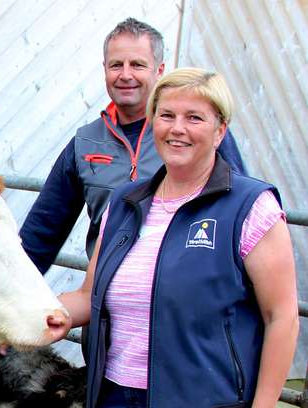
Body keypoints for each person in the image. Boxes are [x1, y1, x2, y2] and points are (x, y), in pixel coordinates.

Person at [57, 67, 299, 407]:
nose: (177, 128)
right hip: (112, 394)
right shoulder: (124, 203)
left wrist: (264, 404)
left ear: (220, 130)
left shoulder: (250, 207)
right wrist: (27, 317)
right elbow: (87, 297)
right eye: (166, 115)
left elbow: (282, 317)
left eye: (194, 118)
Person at [19, 18, 247, 273]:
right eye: (117, 65)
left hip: (182, 295)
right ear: (105, 69)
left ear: (159, 71)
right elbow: (42, 231)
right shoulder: (85, 143)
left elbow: (242, 214)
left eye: (137, 65)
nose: (125, 75)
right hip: (108, 294)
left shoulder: (194, 136)